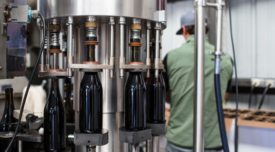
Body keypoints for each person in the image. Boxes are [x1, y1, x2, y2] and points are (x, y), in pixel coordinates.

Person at [163, 10, 233, 152]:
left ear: (184, 29)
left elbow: (167, 96)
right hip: (214, 141)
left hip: (179, 141)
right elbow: (224, 96)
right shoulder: (225, 59)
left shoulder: (171, 58)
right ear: (206, 29)